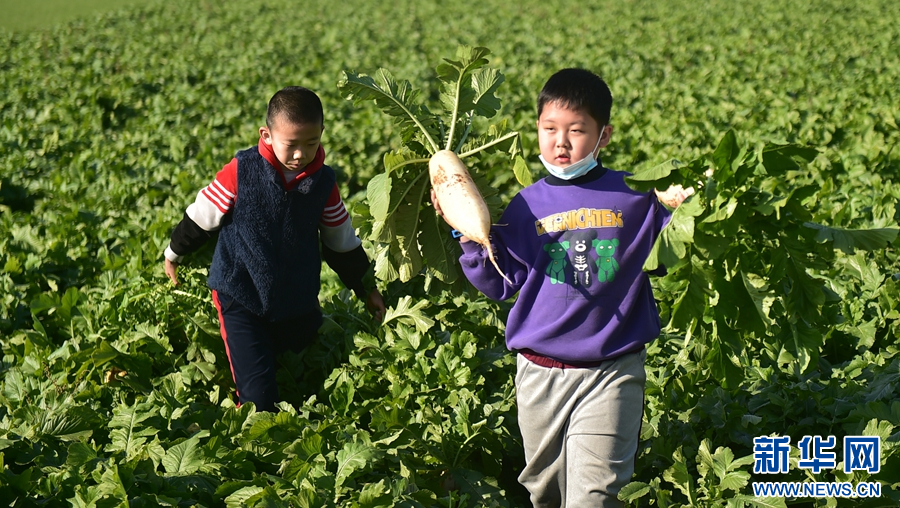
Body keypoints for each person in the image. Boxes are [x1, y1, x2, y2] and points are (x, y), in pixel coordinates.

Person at [433, 68, 690, 507]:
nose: (561, 143)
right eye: (550, 129)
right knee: (545, 494)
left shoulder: (635, 196)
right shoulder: (525, 204)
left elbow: (675, 253)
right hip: (539, 373)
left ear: (603, 136)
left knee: (595, 496)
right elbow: (500, 282)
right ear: (537, 129)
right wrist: (467, 234)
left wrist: (688, 208)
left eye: (577, 131)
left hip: (611, 369)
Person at [163, 86, 385, 412]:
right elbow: (202, 216)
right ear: (266, 135)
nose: (301, 154)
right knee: (260, 402)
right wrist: (173, 253)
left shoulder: (323, 184)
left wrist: (366, 288)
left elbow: (342, 243)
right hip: (240, 293)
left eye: (311, 143)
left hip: (297, 298)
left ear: (322, 134)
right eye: (291, 145)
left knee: (309, 372)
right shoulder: (241, 171)